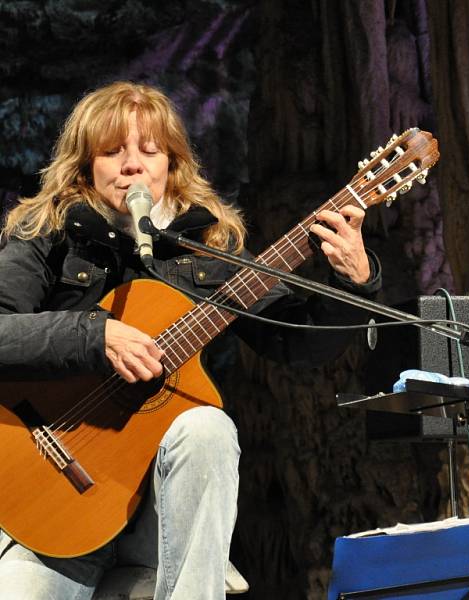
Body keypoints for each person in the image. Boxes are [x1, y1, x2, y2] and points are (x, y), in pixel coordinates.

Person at [0, 81, 381, 599]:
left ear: (171, 165)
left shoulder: (207, 256)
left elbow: (302, 344)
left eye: (148, 151)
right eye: (112, 152)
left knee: (207, 426)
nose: (132, 164)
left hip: (162, 516)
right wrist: (93, 332)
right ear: (86, 166)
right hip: (51, 500)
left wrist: (353, 281)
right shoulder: (48, 236)